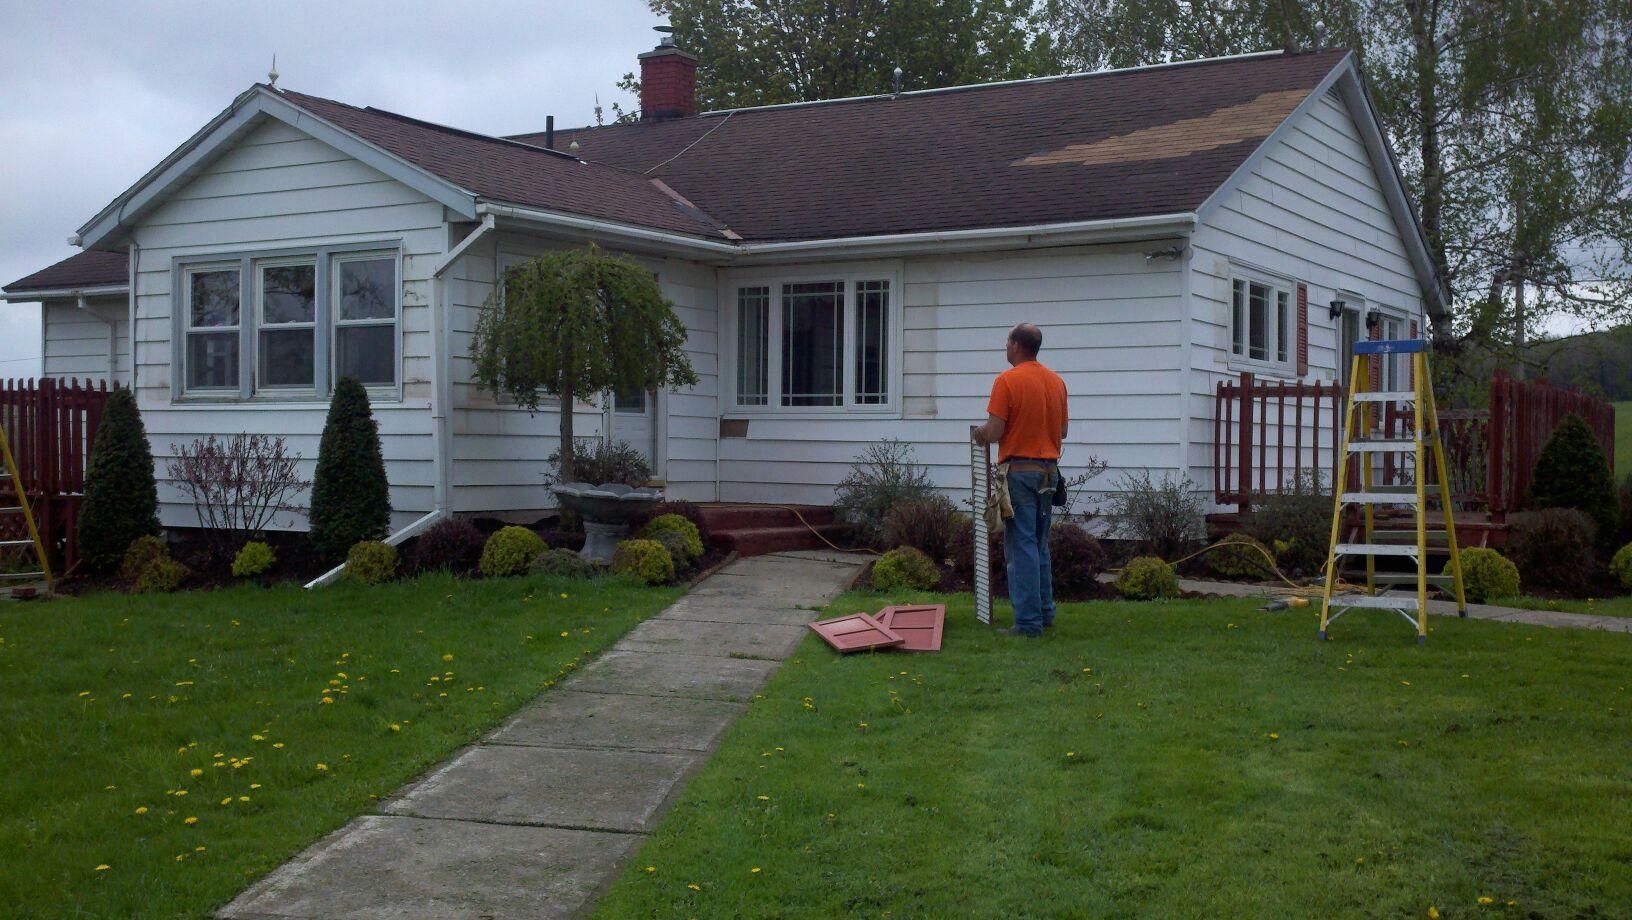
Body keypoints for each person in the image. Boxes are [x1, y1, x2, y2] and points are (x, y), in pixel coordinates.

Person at [972, 323, 1069, 637]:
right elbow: (1062, 432)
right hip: (1049, 472)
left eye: (1007, 342)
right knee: (1039, 545)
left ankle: (1028, 624)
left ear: (1015, 345)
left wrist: (980, 435)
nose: (1006, 347)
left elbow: (995, 431)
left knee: (1021, 546)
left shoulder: (1006, 380)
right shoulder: (1056, 382)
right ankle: (1045, 613)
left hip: (1020, 474)